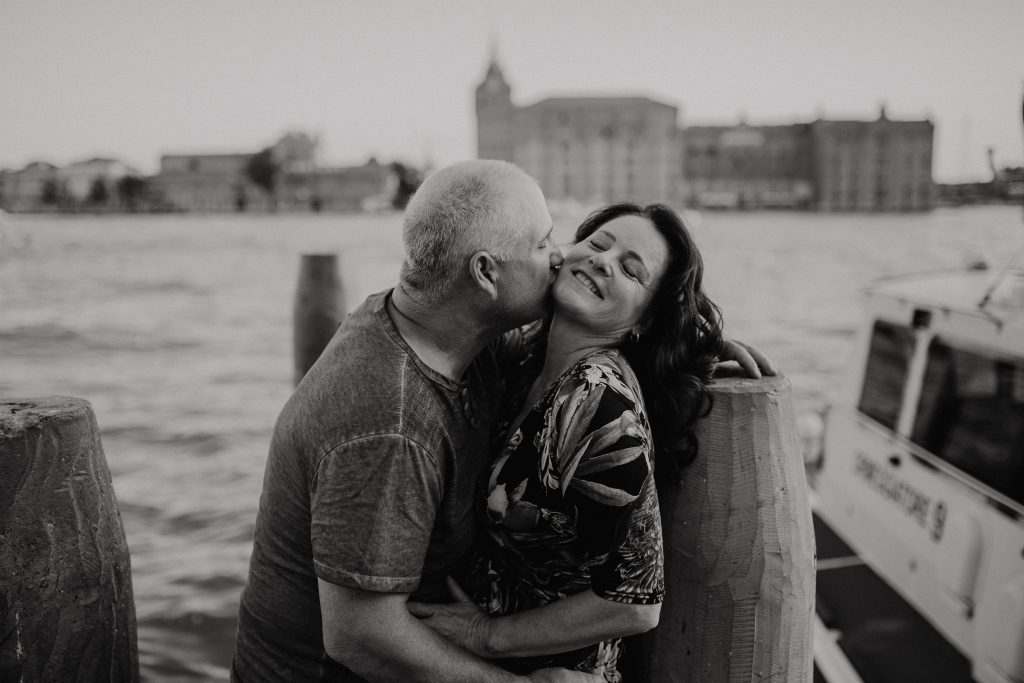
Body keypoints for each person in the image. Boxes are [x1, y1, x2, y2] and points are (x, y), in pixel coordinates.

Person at [232, 160, 771, 682]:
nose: (561, 257)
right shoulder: (409, 412)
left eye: (631, 268)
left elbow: (634, 599)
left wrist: (686, 343)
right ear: (486, 274)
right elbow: (359, 635)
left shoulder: (464, 339)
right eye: (544, 245)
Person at [407, 203, 724, 680]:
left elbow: (636, 604)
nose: (603, 260)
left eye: (631, 270)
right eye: (598, 245)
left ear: (644, 322)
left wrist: (487, 636)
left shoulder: (599, 404)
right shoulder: (528, 359)